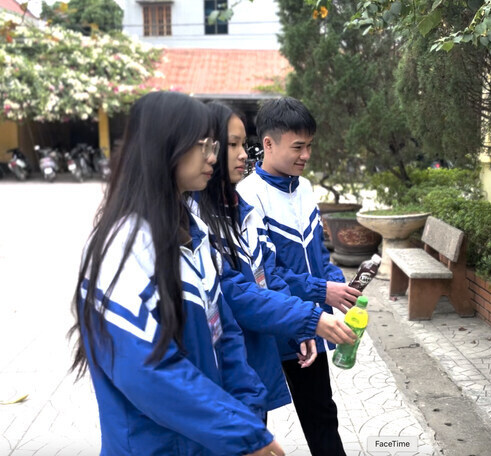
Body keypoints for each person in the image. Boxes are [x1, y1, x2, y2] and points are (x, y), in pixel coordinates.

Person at [68, 91, 284, 456]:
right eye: (201, 144)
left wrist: (249, 414)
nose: (212, 156)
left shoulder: (194, 230)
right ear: (164, 147)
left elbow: (224, 332)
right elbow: (147, 369)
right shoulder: (125, 246)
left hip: (207, 444)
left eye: (212, 144)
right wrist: (242, 435)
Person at [192, 102, 356, 419]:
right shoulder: (230, 204)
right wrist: (313, 307)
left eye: (243, 144)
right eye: (232, 145)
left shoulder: (239, 207)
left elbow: (265, 273)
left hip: (269, 334)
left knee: (320, 411)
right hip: (238, 347)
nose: (243, 154)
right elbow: (238, 291)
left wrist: (308, 318)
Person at [236, 97, 361, 456]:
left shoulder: (303, 188)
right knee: (256, 423)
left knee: (321, 412)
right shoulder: (248, 196)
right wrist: (323, 290)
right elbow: (265, 273)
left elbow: (318, 253)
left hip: (310, 324)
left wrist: (339, 284)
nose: (305, 155)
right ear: (268, 144)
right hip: (271, 325)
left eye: (309, 146)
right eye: (298, 147)